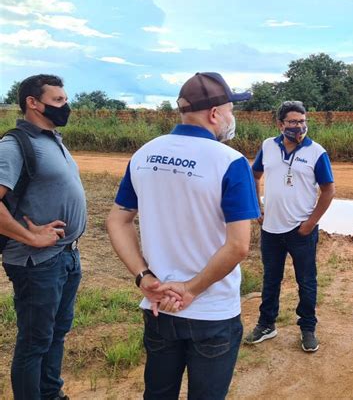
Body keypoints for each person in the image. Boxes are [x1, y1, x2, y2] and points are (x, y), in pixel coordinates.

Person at [106, 72, 260, 400]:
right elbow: (238, 246)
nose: (232, 118)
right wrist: (190, 290)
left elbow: (117, 221)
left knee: (158, 393)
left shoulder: (145, 154)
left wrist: (143, 276)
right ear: (215, 113)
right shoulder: (230, 162)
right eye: (231, 109)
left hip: (158, 304)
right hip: (212, 311)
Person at [0, 74, 86, 400]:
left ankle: (51, 393)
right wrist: (30, 237)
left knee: (56, 334)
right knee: (35, 341)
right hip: (36, 262)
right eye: (59, 100)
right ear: (33, 103)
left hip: (65, 256)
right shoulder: (14, 145)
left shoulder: (53, 139)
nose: (66, 106)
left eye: (66, 99)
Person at [245, 101, 335, 352]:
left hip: (301, 231)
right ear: (280, 124)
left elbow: (328, 190)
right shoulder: (267, 146)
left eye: (303, 121)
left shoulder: (317, 152)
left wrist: (310, 223)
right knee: (270, 279)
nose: (299, 126)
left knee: (306, 281)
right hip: (270, 229)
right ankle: (266, 324)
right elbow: (255, 176)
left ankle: (308, 328)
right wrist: (257, 207)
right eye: (293, 122)